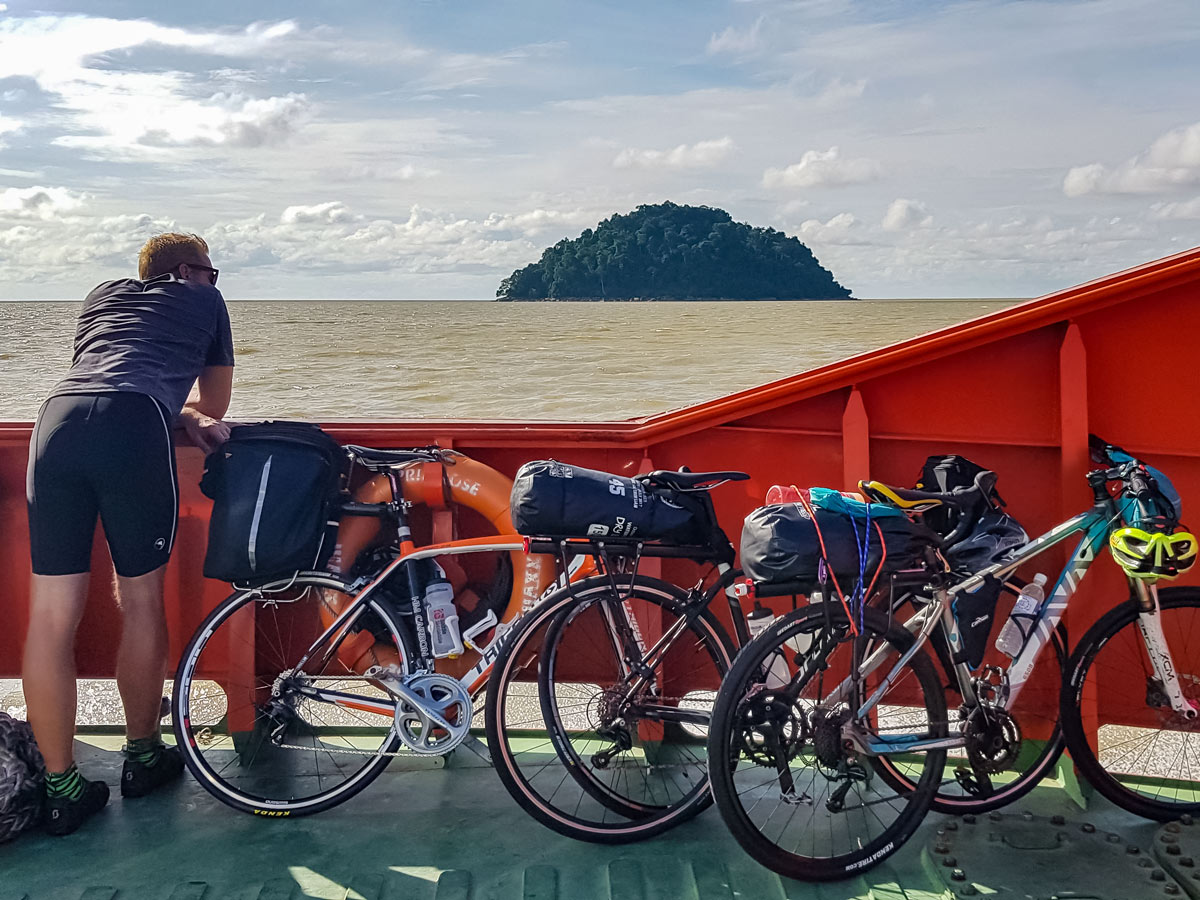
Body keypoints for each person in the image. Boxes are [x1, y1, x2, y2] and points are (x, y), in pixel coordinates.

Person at [24, 233, 235, 835]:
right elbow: (215, 403)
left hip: (56, 424)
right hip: (132, 428)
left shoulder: (103, 295)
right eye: (212, 273)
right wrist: (191, 414)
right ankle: (142, 756)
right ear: (191, 271)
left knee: (51, 614)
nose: (215, 283)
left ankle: (61, 788)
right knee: (140, 601)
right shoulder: (203, 301)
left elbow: (109, 368)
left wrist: (180, 410)